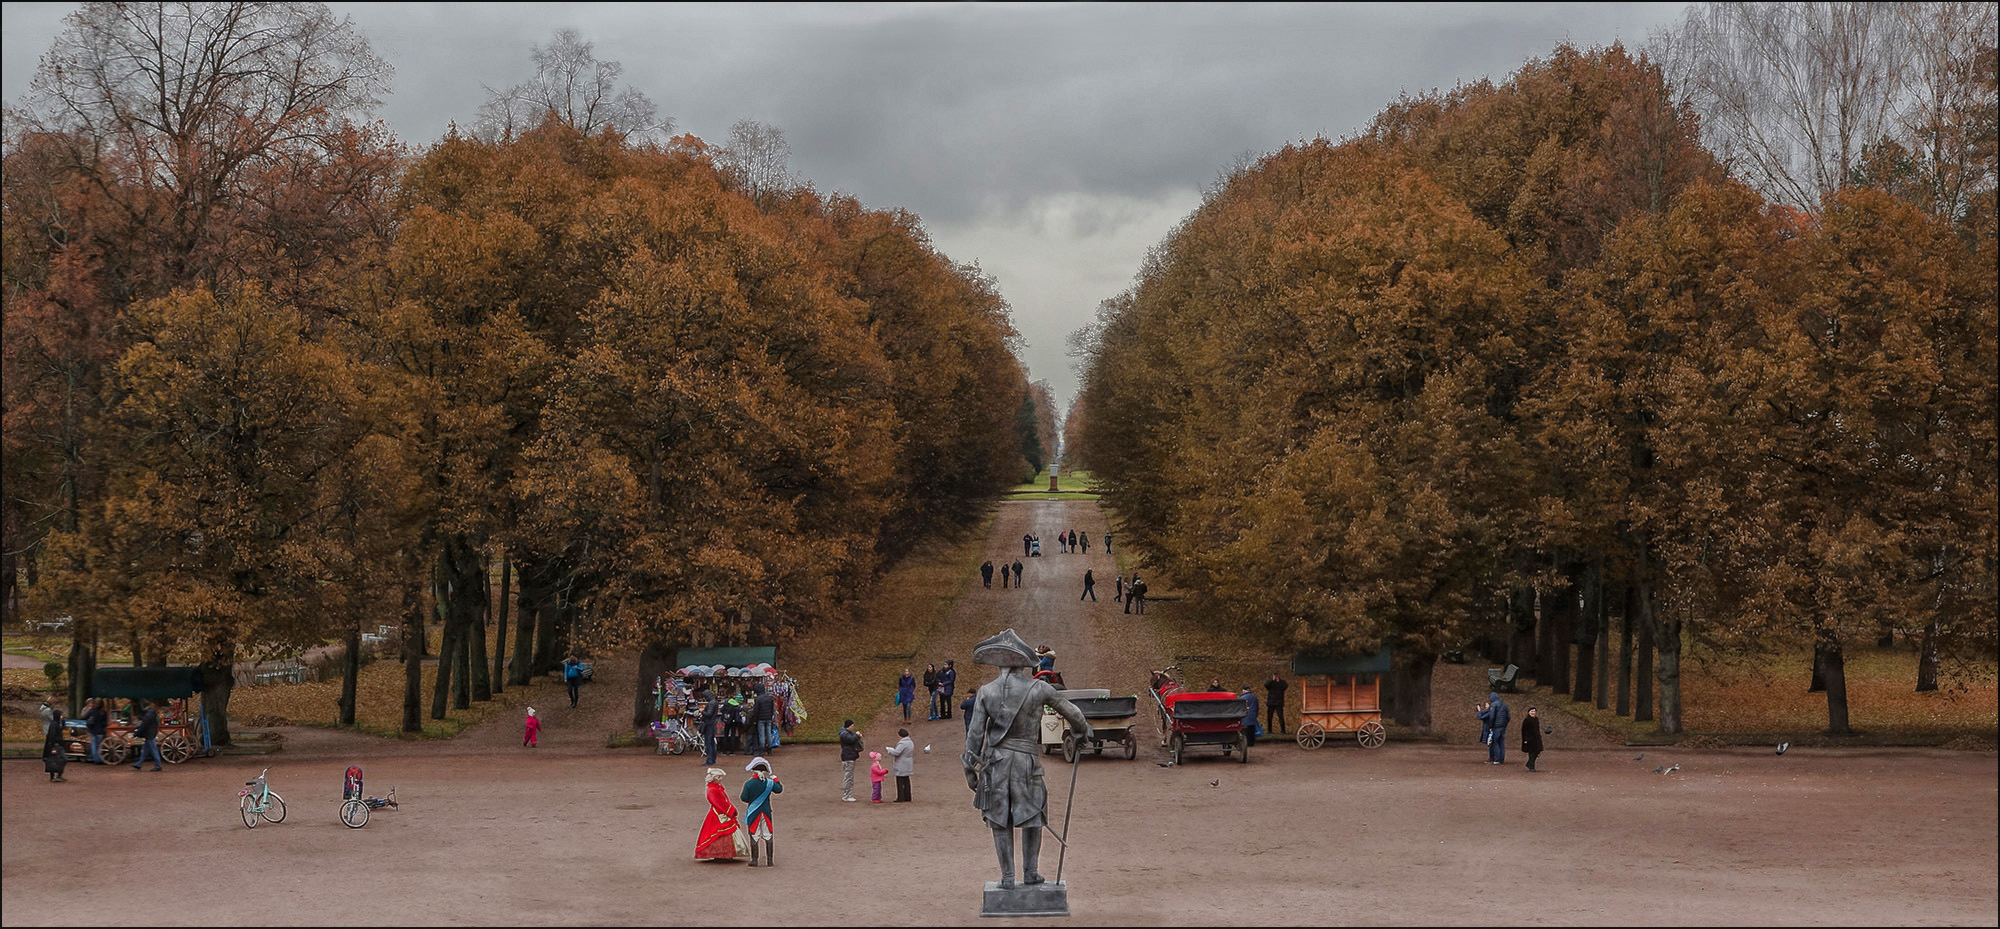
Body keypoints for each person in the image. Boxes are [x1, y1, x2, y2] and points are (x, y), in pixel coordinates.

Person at [961, 627, 1094, 889]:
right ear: (1023, 663)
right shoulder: (1038, 688)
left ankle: (1008, 877)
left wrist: (969, 771)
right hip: (1026, 762)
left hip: (995, 764)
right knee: (1032, 815)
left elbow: (974, 737)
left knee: (999, 818)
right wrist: (1081, 731)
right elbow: (1073, 713)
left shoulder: (986, 692)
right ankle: (1030, 872)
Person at [739, 757, 782, 866]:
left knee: (754, 835)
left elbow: (744, 797)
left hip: (754, 813)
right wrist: (776, 779)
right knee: (768, 835)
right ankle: (770, 860)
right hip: (766, 812)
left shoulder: (749, 784)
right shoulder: (770, 782)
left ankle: (754, 860)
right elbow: (779, 789)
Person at [695, 767, 741, 861]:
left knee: (722, 833)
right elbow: (719, 803)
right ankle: (720, 854)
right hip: (719, 814)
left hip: (722, 813)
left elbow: (724, 800)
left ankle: (725, 854)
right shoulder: (712, 790)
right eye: (718, 777)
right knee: (719, 833)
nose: (720, 779)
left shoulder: (716, 788)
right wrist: (730, 810)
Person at [1477, 691, 1511, 765]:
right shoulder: (1504, 705)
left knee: (1495, 742)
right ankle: (1501, 759)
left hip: (1496, 726)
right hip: (1503, 727)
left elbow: (1492, 716)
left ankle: (1497, 759)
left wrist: (1491, 726)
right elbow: (1508, 717)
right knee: (1501, 743)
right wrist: (1504, 725)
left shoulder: (1494, 705)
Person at [130, 699, 163, 771]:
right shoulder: (152, 713)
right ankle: (138, 763)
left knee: (153, 750)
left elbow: (143, 725)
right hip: (151, 733)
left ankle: (158, 765)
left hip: (149, 734)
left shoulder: (148, 715)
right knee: (145, 750)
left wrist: (136, 733)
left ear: (146, 707)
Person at [885, 729, 916, 802]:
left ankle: (901, 797)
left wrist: (890, 750)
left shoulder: (902, 743)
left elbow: (897, 752)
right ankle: (907, 796)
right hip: (908, 762)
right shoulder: (910, 742)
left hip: (901, 763)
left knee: (900, 781)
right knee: (906, 780)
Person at [41, 701, 67, 782]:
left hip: (57, 744)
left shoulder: (57, 723)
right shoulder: (53, 725)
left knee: (58, 759)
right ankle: (55, 776)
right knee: (57, 759)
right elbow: (52, 736)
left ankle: (57, 775)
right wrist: (52, 746)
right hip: (55, 744)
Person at [839, 719, 863, 801]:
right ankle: (846, 796)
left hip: (850, 756)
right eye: (852, 726)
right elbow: (851, 739)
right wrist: (857, 736)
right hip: (848, 757)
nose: (853, 727)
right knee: (848, 777)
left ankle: (848, 794)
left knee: (849, 776)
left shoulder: (846, 733)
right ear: (848, 726)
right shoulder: (845, 734)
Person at [751, 682, 777, 755]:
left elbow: (756, 710)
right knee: (768, 733)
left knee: (761, 734)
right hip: (768, 718)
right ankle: (769, 749)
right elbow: (772, 709)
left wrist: (755, 720)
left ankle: (762, 749)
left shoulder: (758, 699)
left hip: (760, 719)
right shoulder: (769, 698)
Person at [699, 686, 721, 766]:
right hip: (712, 724)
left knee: (708, 743)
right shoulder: (714, 702)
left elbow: (709, 714)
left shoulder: (711, 703)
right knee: (712, 742)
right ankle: (713, 759)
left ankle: (710, 760)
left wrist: (702, 712)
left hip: (709, 725)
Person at [84, 698, 108, 764]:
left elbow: (84, 717)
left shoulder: (92, 710)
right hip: (101, 731)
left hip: (92, 730)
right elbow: (105, 723)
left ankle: (95, 759)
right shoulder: (104, 712)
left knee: (93, 745)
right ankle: (99, 758)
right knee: (99, 745)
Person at [1521, 706, 1545, 772]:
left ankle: (1529, 764)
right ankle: (1531, 766)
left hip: (1536, 738)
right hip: (1530, 739)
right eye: (1531, 711)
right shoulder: (1526, 720)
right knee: (1532, 753)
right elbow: (1524, 730)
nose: (1533, 713)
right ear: (1529, 712)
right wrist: (1525, 739)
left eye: (1534, 711)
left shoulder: (1536, 719)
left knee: (1537, 751)